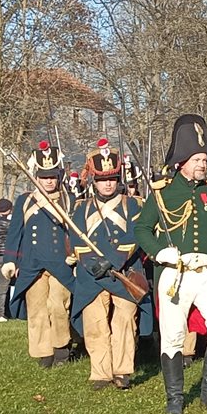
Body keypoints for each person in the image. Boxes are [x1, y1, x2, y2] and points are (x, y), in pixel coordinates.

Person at [135, 114, 207, 414]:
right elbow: (141, 229)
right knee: (173, 336)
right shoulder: (163, 192)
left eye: (204, 159)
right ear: (182, 162)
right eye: (196, 159)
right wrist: (160, 253)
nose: (202, 164)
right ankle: (175, 399)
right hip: (176, 274)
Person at [70, 145, 144, 390]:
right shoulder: (81, 208)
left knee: (125, 320)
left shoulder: (132, 205)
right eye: (103, 180)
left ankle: (122, 371)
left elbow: (135, 234)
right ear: (94, 180)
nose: (108, 184)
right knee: (95, 323)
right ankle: (100, 372)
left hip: (123, 273)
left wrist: (111, 260)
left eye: (112, 178)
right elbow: (76, 240)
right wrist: (93, 263)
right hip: (92, 274)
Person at [4, 140, 78, 368]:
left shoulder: (69, 200)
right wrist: (10, 260)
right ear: (36, 176)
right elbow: (15, 232)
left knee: (58, 305)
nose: (48, 181)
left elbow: (77, 232)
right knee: (36, 308)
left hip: (60, 263)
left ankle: (61, 349)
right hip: (32, 263)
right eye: (44, 176)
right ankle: (43, 352)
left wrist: (75, 254)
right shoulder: (25, 200)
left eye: (52, 176)